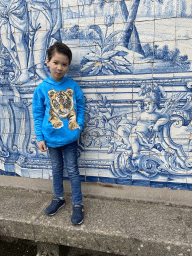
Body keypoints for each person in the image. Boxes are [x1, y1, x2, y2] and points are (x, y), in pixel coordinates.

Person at [32, 42, 85, 225]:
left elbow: (81, 106)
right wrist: (40, 137)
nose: (59, 67)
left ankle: (78, 204)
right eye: (56, 62)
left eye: (64, 64)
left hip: (70, 137)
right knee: (56, 169)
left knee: (72, 170)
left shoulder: (73, 86)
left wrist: (79, 124)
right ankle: (58, 198)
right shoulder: (42, 88)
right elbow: (38, 114)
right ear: (47, 61)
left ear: (68, 66)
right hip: (51, 138)